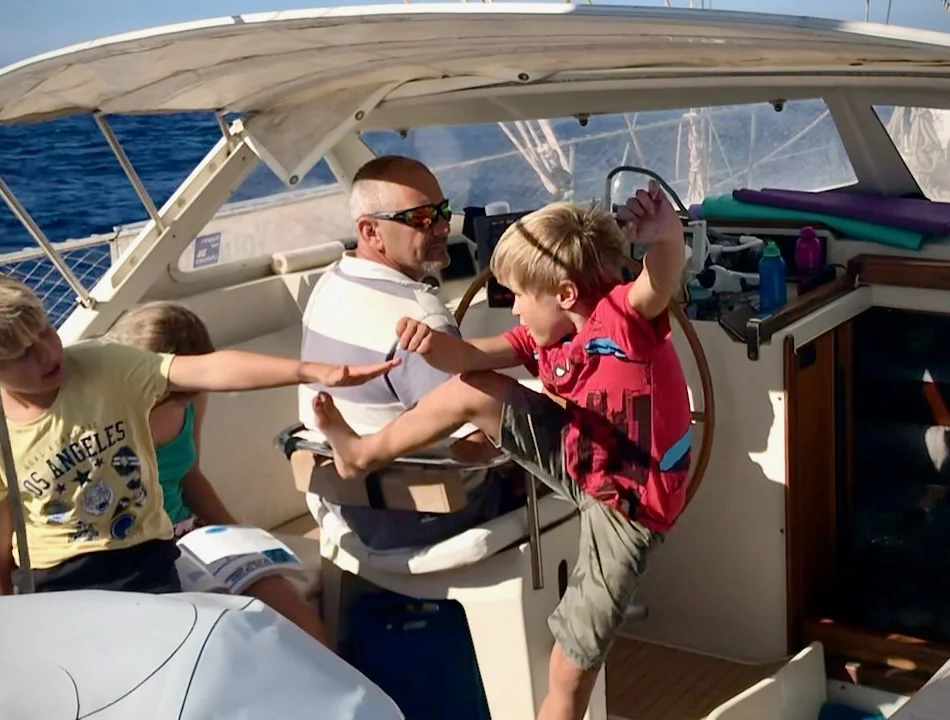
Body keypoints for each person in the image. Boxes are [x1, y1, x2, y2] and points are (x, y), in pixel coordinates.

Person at [311, 182, 693, 720]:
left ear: (563, 295)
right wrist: (427, 342)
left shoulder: (623, 321)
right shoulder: (541, 338)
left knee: (569, 667)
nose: (512, 309)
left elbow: (659, 280)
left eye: (517, 295)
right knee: (474, 386)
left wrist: (666, 236)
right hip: (582, 456)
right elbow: (466, 356)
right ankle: (361, 453)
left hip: (629, 507)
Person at [0, 269, 397, 598]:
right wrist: (4, 607)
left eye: (46, 332)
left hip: (146, 555)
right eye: (22, 354)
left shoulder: (104, 366)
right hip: (60, 579)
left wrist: (313, 371)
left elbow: (206, 368)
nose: (47, 352)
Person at [297, 154, 517, 551]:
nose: (442, 226)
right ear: (371, 231)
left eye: (442, 210)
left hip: (342, 509)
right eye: (421, 218)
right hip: (426, 519)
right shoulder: (420, 319)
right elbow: (472, 446)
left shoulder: (329, 285)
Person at [104, 301, 328, 646]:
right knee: (227, 636)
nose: (186, 399)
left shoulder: (191, 396)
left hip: (192, 534)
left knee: (296, 619)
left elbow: (189, 474)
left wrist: (241, 535)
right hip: (136, 550)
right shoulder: (103, 414)